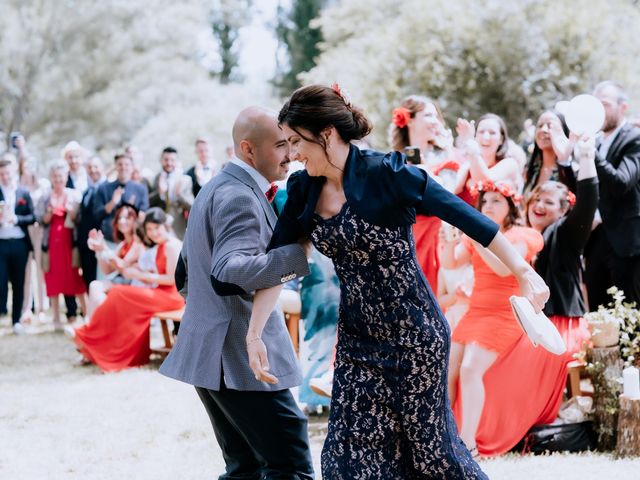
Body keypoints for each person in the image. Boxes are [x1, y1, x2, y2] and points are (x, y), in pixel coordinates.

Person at [250, 85, 549, 478]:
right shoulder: (303, 189)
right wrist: (254, 334)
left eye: (295, 142)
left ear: (326, 134)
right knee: (348, 456)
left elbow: (469, 219)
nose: (291, 155)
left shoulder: (388, 173)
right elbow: (281, 261)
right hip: (358, 340)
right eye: (286, 144)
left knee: (431, 454)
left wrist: (524, 271)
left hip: (416, 335)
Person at [159, 107, 314, 480]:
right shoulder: (240, 196)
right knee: (288, 465)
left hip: (212, 352)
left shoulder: (216, 186)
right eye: (280, 145)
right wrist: (299, 251)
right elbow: (229, 271)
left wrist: (208, 315)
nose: (290, 153)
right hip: (237, 360)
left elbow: (185, 272)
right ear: (248, 149)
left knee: (245, 468)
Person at [465, 136, 598, 456]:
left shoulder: (565, 234)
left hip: (560, 325)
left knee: (499, 371)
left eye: (549, 203)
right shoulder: (523, 236)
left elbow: (588, 204)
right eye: (536, 198)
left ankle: (491, 437)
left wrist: (584, 158)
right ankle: (473, 431)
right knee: (485, 368)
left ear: (565, 210)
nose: (539, 205)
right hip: (532, 322)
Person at [444, 180, 543, 453]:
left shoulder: (523, 236)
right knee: (448, 367)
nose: (488, 206)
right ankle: (443, 433)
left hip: (506, 313)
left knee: (470, 368)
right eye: (484, 201)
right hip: (476, 313)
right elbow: (451, 263)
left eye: (496, 201)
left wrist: (478, 237)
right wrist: (447, 240)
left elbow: (503, 269)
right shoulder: (475, 236)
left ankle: (468, 442)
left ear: (511, 207)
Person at [71, 208, 183, 370]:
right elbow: (113, 269)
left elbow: (172, 279)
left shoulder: (172, 245)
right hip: (160, 292)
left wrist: (140, 275)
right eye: (149, 229)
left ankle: (87, 333)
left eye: (156, 228)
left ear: (165, 226)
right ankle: (105, 343)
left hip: (171, 296)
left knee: (119, 293)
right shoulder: (160, 245)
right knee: (120, 298)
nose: (153, 233)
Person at [388, 95, 468, 290]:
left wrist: (427, 170)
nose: (436, 122)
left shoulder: (448, 154)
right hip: (407, 238)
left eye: (436, 116)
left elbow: (449, 194)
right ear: (410, 120)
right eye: (429, 116)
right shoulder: (394, 160)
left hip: (441, 236)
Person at [584, 81, 640, 307]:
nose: (599, 110)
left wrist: (592, 154)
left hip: (627, 243)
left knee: (630, 317)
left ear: (622, 107)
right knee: (598, 313)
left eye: (605, 104)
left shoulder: (634, 138)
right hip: (596, 241)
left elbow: (621, 182)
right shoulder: (595, 141)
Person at [37, 160, 86, 330]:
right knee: (53, 280)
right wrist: (49, 212)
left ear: (66, 177)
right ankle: (56, 318)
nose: (58, 180)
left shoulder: (74, 195)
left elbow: (79, 220)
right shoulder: (45, 197)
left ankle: (86, 314)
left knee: (74, 278)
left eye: (61, 177)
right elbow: (40, 220)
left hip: (69, 244)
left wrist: (72, 212)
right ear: (51, 178)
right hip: (51, 245)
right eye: (55, 177)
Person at [85, 204, 145, 318]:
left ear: (135, 220)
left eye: (127, 217)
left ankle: (93, 326)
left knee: (95, 287)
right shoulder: (123, 245)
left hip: (134, 285)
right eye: (119, 218)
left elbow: (122, 265)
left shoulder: (138, 242)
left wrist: (104, 248)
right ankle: (95, 326)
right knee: (97, 291)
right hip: (122, 283)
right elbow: (107, 270)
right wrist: (99, 251)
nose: (122, 221)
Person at [0, 158, 35, 335]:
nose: (5, 177)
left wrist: (16, 219)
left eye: (8, 173)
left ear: (13, 172)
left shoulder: (23, 193)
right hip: (1, 243)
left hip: (20, 243)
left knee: (19, 283)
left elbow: (32, 217)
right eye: (2, 174)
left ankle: (16, 320)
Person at [93, 154, 149, 243]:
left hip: (133, 241)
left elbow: (143, 213)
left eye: (126, 164)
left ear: (132, 167)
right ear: (115, 167)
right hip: (110, 240)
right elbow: (97, 216)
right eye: (120, 164)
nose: (123, 167)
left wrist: (131, 208)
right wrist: (113, 202)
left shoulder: (141, 189)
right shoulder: (104, 188)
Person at [456, 113, 521, 189]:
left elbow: (484, 182)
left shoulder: (510, 164)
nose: (486, 137)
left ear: (501, 139)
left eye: (492, 133)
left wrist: (470, 144)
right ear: (475, 135)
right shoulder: (466, 166)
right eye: (481, 132)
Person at [523, 110, 575, 197]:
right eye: (540, 126)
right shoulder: (531, 170)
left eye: (550, 126)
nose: (543, 130)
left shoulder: (572, 171)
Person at [149, 147, 193, 239]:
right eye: (166, 160)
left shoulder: (185, 180)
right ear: (161, 160)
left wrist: (179, 194)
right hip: (159, 228)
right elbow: (150, 203)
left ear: (177, 161)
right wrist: (160, 193)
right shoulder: (156, 178)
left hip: (178, 226)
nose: (169, 163)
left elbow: (192, 206)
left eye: (172, 160)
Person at [77, 155, 107, 289]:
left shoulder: (108, 188)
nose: (93, 170)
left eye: (96, 167)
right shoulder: (86, 191)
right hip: (86, 243)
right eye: (89, 167)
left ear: (102, 168)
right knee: (88, 277)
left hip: (103, 242)